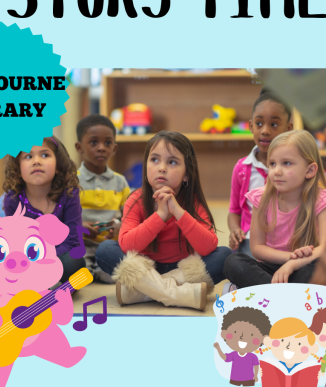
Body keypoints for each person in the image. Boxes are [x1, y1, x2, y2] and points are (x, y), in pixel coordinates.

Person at [96, 131, 232, 310]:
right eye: (154, 160)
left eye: (172, 162)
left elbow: (208, 247)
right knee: (105, 250)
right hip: (144, 268)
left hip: (183, 270)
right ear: (145, 168)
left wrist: (177, 211)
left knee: (225, 255)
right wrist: (160, 215)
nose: (162, 168)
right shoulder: (136, 199)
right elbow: (127, 245)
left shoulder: (193, 202)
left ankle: (143, 292)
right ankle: (177, 294)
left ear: (186, 175)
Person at [224, 130, 326, 287]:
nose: (276, 171)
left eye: (287, 163)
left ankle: (269, 293)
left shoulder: (322, 199)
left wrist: (293, 265)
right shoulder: (261, 198)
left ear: (310, 170)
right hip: (271, 267)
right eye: (272, 164)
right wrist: (290, 258)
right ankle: (286, 294)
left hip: (304, 266)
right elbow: (257, 248)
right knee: (233, 262)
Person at [223, 89, 293, 295]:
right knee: (231, 261)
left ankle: (258, 289)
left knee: (314, 263)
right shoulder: (242, 168)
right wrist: (235, 230)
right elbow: (234, 210)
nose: (265, 131)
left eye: (274, 124)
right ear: (251, 126)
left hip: (288, 247)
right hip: (253, 245)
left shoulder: (296, 167)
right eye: (259, 124)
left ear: (288, 128)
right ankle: (282, 290)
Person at [3, 136, 85, 284]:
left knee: (74, 263)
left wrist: (46, 259)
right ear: (18, 169)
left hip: (61, 258)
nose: (36, 161)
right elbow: (14, 245)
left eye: (45, 155)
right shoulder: (13, 200)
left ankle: (46, 284)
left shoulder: (69, 194)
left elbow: (74, 242)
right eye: (28, 156)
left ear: (59, 166)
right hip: (26, 261)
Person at [75, 114, 130, 282]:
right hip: (80, 245)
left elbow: (128, 215)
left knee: (112, 277)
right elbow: (62, 216)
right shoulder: (72, 181)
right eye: (93, 142)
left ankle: (100, 270)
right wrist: (80, 225)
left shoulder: (120, 181)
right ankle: (90, 270)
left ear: (114, 148)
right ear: (79, 147)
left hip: (110, 246)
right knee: (76, 275)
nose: (101, 148)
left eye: (107, 143)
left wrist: (118, 225)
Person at [214, 306, 271, 386]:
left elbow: (256, 365)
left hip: (249, 380)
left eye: (251, 334)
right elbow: (224, 357)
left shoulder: (253, 357)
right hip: (234, 380)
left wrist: (255, 375)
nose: (242, 337)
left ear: (262, 339)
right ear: (225, 334)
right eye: (235, 332)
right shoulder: (233, 354)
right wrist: (218, 348)